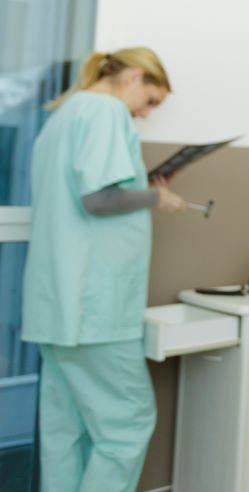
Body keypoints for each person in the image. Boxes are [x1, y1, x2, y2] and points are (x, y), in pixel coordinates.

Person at [21, 47, 186, 492]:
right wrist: (157, 198)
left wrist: (141, 187)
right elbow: (98, 200)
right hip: (95, 309)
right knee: (127, 425)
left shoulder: (64, 116)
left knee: (64, 430)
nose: (147, 114)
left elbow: (91, 194)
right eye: (150, 101)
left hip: (56, 306)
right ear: (132, 77)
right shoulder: (105, 111)